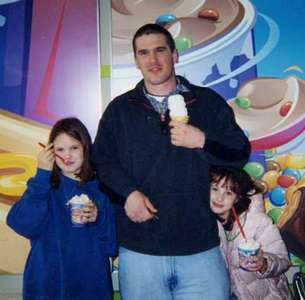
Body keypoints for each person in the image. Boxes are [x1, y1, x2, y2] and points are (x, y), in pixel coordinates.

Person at [92, 23, 250, 299]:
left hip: (200, 247)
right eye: (143, 53)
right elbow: (101, 162)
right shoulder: (120, 109)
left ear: (174, 55)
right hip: (140, 250)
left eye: (160, 50)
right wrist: (128, 194)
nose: (152, 60)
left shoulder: (207, 103)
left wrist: (202, 140)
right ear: (136, 60)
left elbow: (239, 153)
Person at [7, 117, 116, 300]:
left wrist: (99, 216)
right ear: (50, 152)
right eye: (60, 149)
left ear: (85, 148)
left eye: (74, 148)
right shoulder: (44, 187)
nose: (67, 156)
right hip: (47, 282)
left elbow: (112, 246)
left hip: (90, 284)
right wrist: (42, 174)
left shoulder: (102, 189)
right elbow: (21, 224)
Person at [209, 166, 292, 300]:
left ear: (237, 198)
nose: (220, 197)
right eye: (215, 189)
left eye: (229, 193)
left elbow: (283, 262)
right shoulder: (204, 225)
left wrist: (263, 264)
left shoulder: (257, 221)